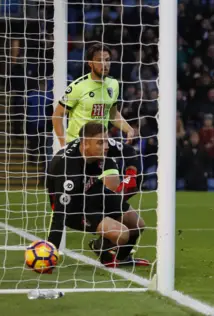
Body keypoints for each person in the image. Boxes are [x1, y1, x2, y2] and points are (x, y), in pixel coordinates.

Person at [46, 123, 148, 268]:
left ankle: (122, 258)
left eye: (106, 140)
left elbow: (130, 151)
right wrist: (51, 253)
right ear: (86, 144)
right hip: (74, 209)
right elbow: (59, 214)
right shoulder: (68, 169)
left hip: (95, 191)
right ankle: (101, 248)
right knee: (122, 234)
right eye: (101, 143)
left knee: (137, 224)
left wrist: (131, 174)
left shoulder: (102, 147)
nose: (106, 146)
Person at [52, 43, 136, 148]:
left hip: (100, 145)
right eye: (99, 60)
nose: (104, 64)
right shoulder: (77, 86)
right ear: (90, 63)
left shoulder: (113, 84)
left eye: (107, 60)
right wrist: (63, 144)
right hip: (78, 146)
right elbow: (57, 115)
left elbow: (112, 114)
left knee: (130, 154)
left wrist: (129, 129)